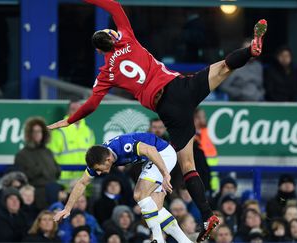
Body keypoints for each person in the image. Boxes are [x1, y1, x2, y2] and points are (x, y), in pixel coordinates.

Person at [47, 0, 268, 240]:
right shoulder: (127, 38)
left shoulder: (106, 73)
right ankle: (249, 51)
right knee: (224, 66)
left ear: (101, 51)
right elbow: (113, 6)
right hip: (182, 86)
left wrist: (70, 120)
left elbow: (91, 104)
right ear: (113, 36)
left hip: (168, 108)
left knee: (188, 166)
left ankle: (206, 215)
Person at [53, 133, 191, 243]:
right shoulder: (98, 158)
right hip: (151, 159)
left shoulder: (123, 146)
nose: (99, 173)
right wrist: (68, 208)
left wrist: (165, 174)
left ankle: (157, 238)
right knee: (156, 208)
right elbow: (82, 183)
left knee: (139, 194)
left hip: (162, 154)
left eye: (99, 170)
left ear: (108, 160)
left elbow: (150, 149)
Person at [14, 117, 61, 210]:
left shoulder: (48, 152)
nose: (37, 134)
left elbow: (57, 171)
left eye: (39, 131)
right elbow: (22, 177)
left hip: (53, 193)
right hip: (35, 197)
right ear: (29, 134)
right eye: (34, 131)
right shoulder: (22, 154)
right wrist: (38, 171)